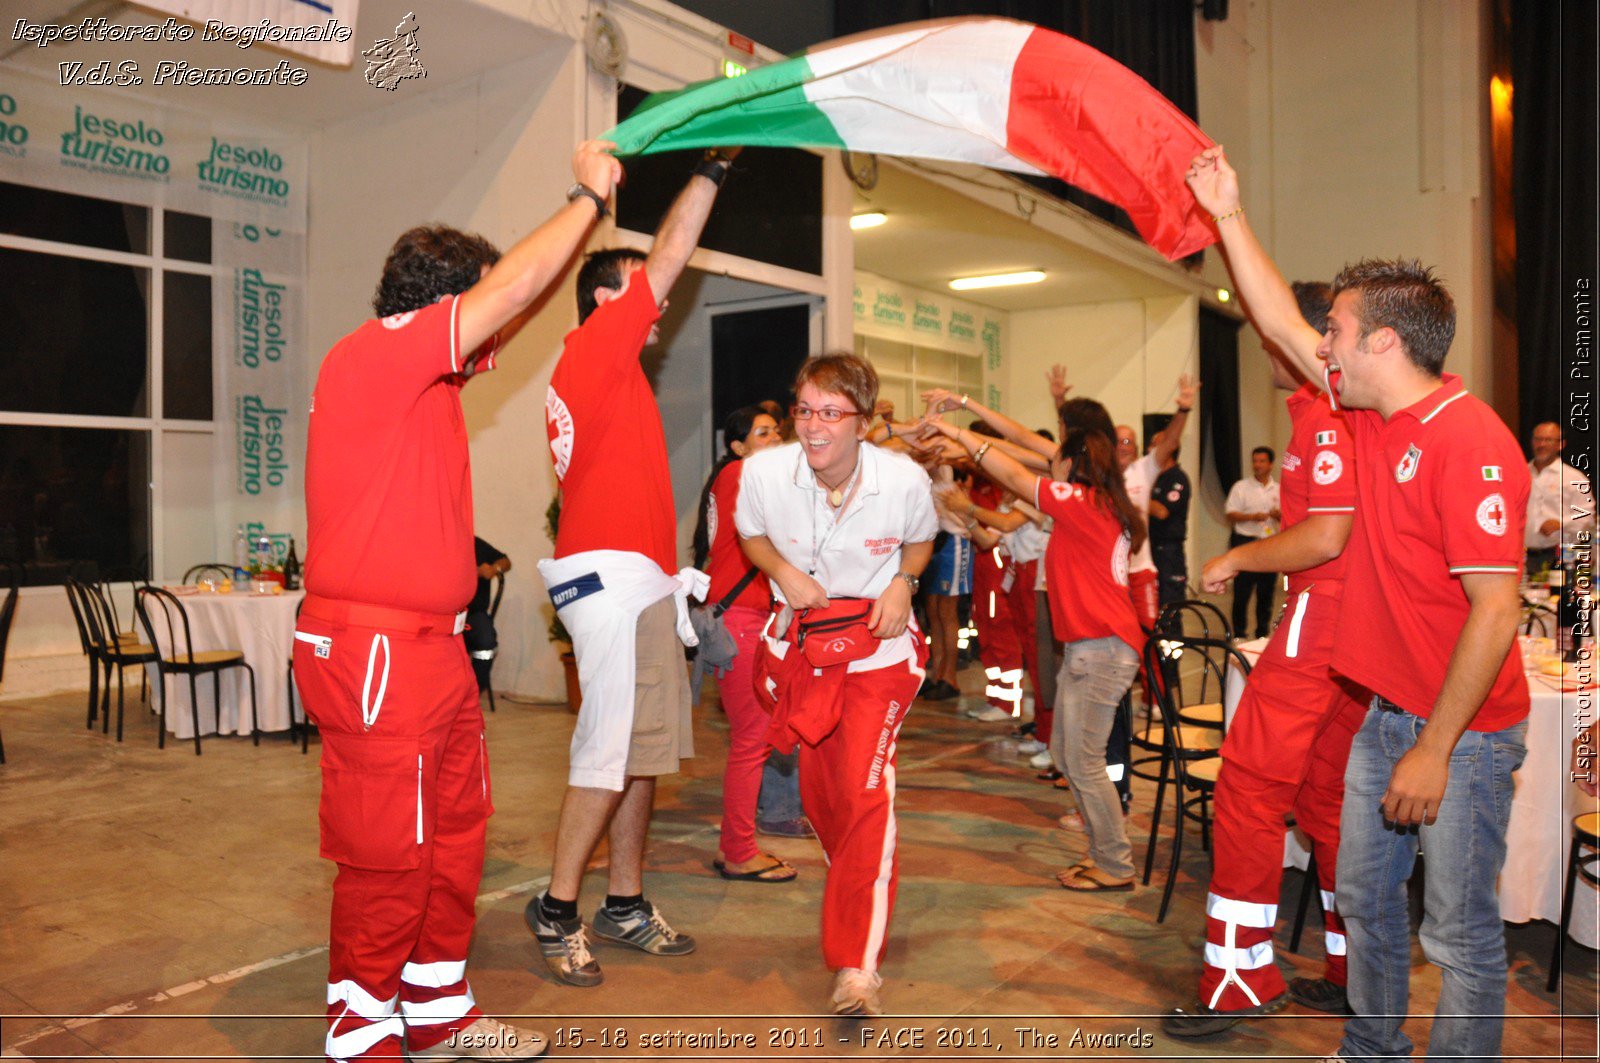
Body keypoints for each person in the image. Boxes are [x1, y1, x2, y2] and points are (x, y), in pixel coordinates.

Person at [1189, 145, 1532, 1063]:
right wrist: (1227, 212)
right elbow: (1270, 314)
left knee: (1457, 936)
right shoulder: (1366, 418)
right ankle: (1371, 1047)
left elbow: (1497, 613)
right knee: (1371, 906)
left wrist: (1434, 744)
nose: (1318, 343)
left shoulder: (1473, 444)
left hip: (1460, 733)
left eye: (1334, 330)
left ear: (1383, 341)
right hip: (1385, 715)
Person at [295, 139, 622, 1061]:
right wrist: (584, 198)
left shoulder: (430, 376)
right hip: (376, 655)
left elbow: (517, 301)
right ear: (440, 300)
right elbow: (512, 293)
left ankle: (436, 1013)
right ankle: (362, 1032)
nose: (490, 333)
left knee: (453, 843)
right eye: (473, 303)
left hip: (435, 650)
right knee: (387, 854)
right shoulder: (379, 356)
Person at [528, 147, 740, 989]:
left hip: (643, 583)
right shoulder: (592, 350)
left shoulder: (617, 378)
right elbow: (671, 253)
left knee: (641, 752)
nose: (661, 305)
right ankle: (555, 906)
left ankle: (622, 901)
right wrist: (712, 173)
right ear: (609, 301)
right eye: (644, 290)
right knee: (603, 754)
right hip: (611, 582)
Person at [1164, 282, 1369, 1036]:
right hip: (1349, 636)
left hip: (1322, 627)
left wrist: (1240, 556)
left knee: (1247, 795)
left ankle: (1237, 976)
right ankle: (1352, 967)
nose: (1262, 344)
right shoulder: (1335, 414)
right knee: (1326, 806)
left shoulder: (1325, 421)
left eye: (1270, 330)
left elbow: (1325, 536)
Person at [735, 352, 937, 1016]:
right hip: (803, 652)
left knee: (864, 792)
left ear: (862, 419)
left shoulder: (901, 478)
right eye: (804, 411)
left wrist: (904, 583)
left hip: (878, 657)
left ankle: (857, 966)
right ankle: (856, 889)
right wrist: (782, 572)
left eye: (830, 413)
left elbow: (921, 538)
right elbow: (751, 531)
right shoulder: (765, 471)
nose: (814, 427)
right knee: (826, 800)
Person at [925, 414, 1146, 893]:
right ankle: (1102, 850)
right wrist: (964, 412)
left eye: (1058, 460)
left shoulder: (1084, 502)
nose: (1052, 466)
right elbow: (1028, 452)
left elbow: (1016, 473)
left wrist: (962, 434)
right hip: (1090, 648)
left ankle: (1114, 863)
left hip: (1102, 650)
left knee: (1083, 761)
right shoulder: (1097, 504)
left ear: (1073, 464)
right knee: (1069, 756)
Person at [690, 405, 797, 882]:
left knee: (755, 739)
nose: (774, 439)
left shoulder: (735, 476)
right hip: (742, 623)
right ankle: (738, 850)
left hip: (746, 618)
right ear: (738, 446)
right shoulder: (740, 475)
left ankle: (741, 843)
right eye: (763, 433)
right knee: (751, 742)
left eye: (777, 431)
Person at [1224, 447, 1281, 638]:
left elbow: (1290, 516)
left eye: (1262, 461)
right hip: (1246, 541)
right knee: (1242, 592)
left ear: (1270, 464)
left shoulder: (1280, 489)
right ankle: (1239, 633)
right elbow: (1230, 513)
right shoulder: (1241, 487)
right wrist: (1251, 516)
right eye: (1255, 461)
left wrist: (1278, 515)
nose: (1257, 465)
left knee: (1266, 593)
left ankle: (1262, 633)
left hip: (1270, 543)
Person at [1525, 421, 1594, 575]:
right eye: (1537, 439)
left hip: (1561, 558)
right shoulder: (1521, 474)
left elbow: (1587, 516)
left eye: (1548, 440)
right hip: (1524, 556)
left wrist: (1561, 523)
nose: (1541, 444)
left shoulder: (1574, 477)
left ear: (1561, 445)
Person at [1147, 443, 1191, 607]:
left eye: (1154, 445)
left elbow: (1162, 511)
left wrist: (1134, 495)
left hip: (1168, 553)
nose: (1149, 449)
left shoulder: (1178, 478)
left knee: (1169, 608)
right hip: (1148, 548)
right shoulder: (1151, 476)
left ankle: (1171, 634)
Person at [465, 536, 510, 695]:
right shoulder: (441, 545)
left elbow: (505, 561)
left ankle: (474, 692)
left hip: (474, 614)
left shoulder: (474, 543)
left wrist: (494, 569)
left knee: (486, 641)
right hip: (448, 614)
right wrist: (475, 573)